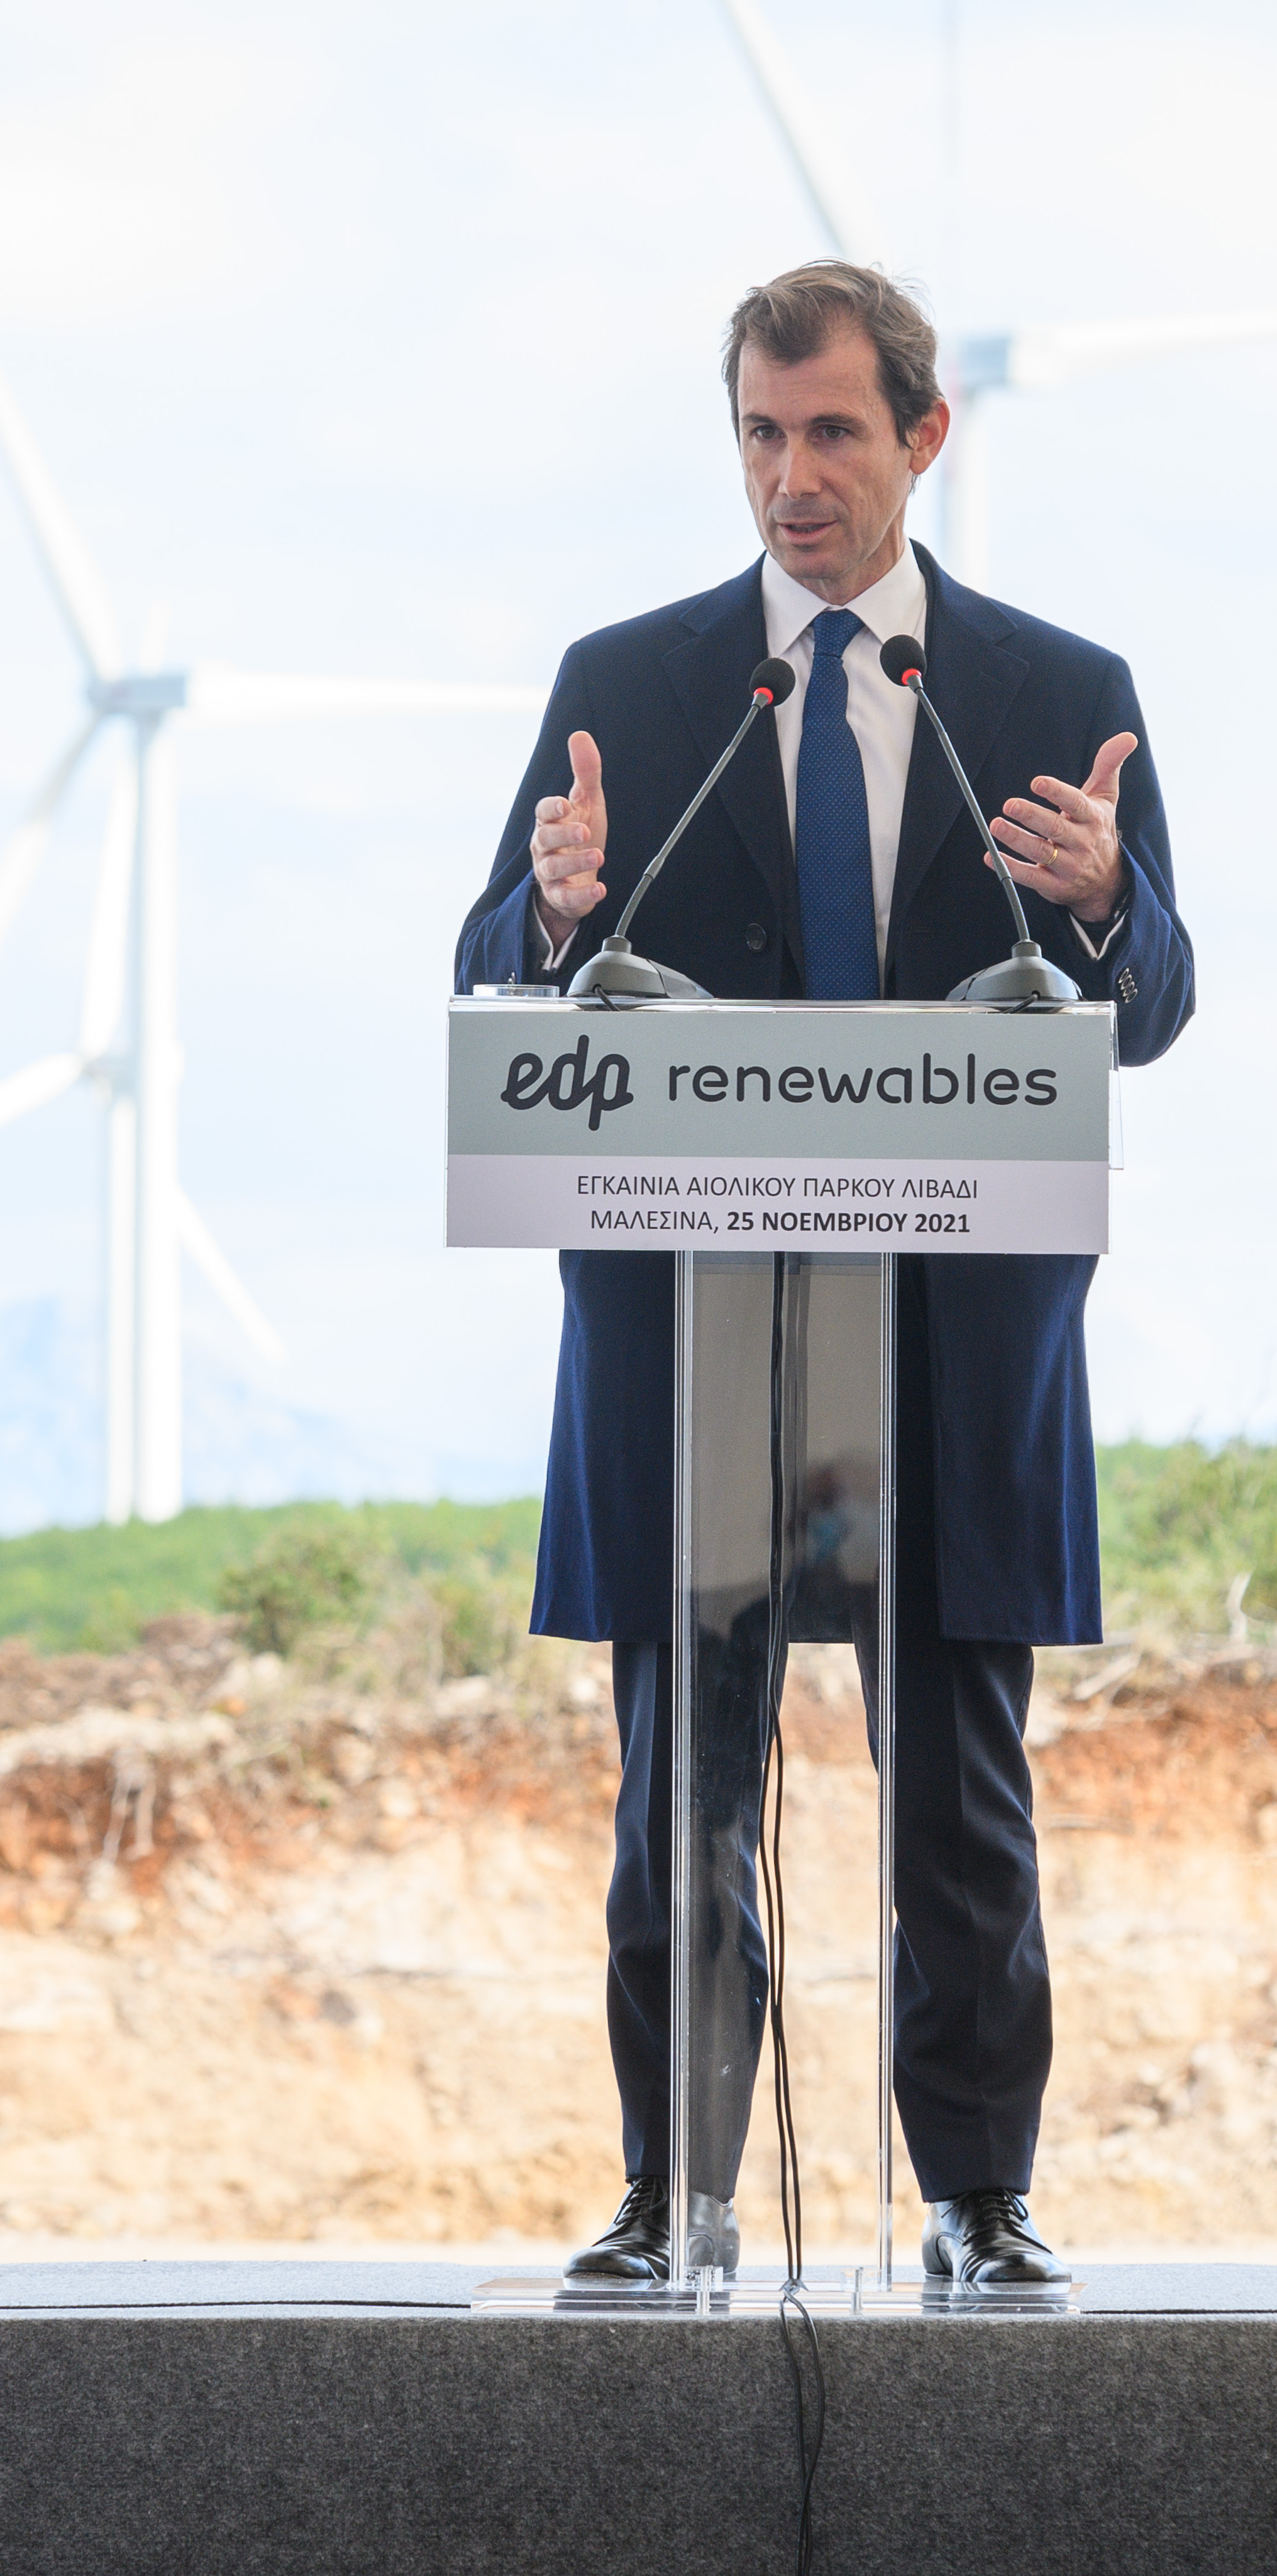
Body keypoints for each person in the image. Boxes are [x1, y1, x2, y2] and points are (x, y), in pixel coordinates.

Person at [454, 261, 1194, 2287]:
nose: (793, 478)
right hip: (690, 1325)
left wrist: (1104, 904)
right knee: (681, 1790)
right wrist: (548, 913)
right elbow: (491, 965)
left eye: (833, 433)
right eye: (761, 436)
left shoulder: (1052, 689)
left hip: (951, 1333)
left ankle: (976, 2202)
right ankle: (675, 2195)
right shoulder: (630, 682)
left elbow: (1152, 1005)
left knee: (956, 1794)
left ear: (921, 436)